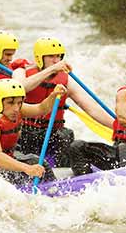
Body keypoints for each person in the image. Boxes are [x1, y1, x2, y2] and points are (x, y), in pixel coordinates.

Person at [11, 37, 114, 167]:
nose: (56, 60)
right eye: (51, 57)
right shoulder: (21, 71)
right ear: (39, 58)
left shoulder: (66, 81)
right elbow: (19, 88)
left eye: (59, 57)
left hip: (52, 134)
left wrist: (117, 127)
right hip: (26, 132)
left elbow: (92, 108)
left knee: (67, 137)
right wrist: (52, 69)